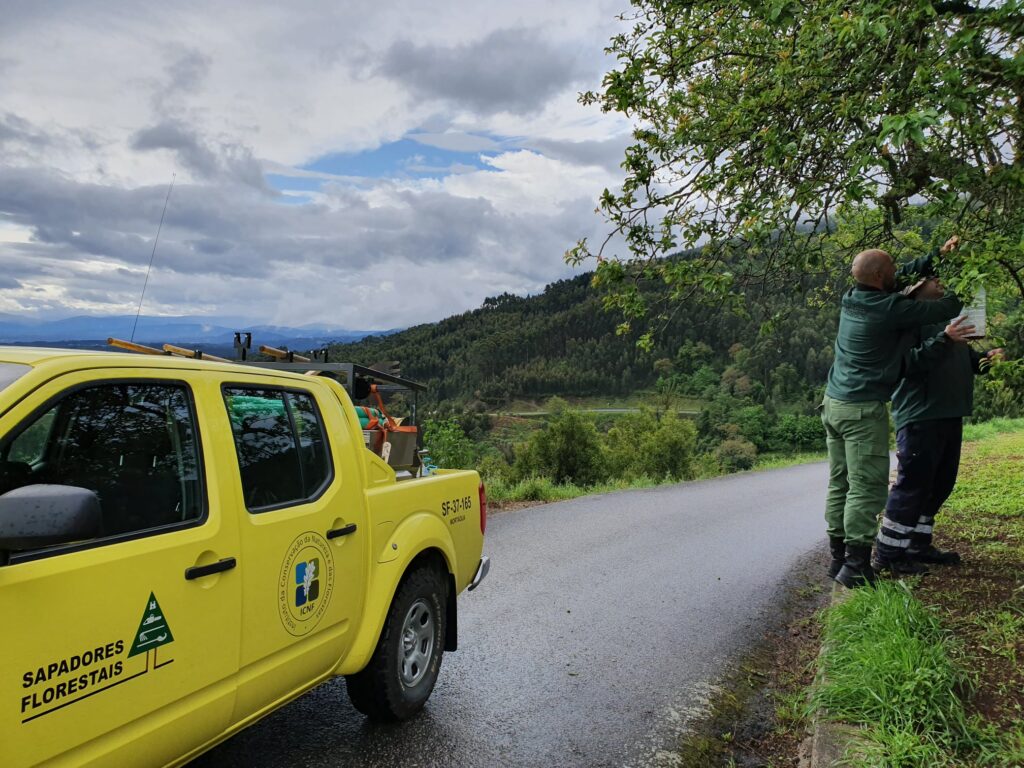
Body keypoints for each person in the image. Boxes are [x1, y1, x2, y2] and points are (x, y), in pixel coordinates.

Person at [822, 237, 965, 589]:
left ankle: (838, 557)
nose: (897, 275)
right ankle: (856, 566)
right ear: (879, 277)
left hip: (833, 404)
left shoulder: (853, 297)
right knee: (866, 487)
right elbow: (946, 307)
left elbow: (897, 275)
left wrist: (936, 256)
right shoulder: (888, 309)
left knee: (840, 482)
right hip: (860, 409)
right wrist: (961, 278)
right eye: (891, 271)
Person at [872, 277, 1004, 574]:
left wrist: (985, 359)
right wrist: (944, 338)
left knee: (940, 483)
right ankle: (888, 554)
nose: (942, 283)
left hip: (949, 412)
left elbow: (965, 359)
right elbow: (907, 364)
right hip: (921, 414)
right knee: (913, 483)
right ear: (916, 289)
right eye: (934, 280)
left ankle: (917, 544)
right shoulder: (908, 322)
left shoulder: (947, 321)